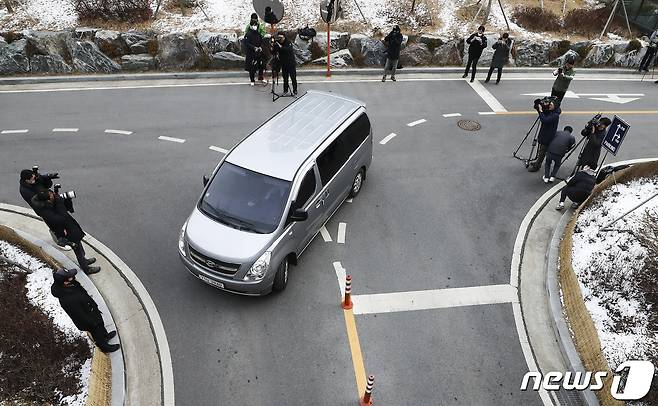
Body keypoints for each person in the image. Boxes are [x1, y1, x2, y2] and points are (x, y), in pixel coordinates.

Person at [31, 189, 100, 275]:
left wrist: (66, 200)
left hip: (69, 227)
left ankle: (84, 260)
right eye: (51, 195)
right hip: (66, 232)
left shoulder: (49, 204)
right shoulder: (45, 212)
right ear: (47, 200)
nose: (53, 195)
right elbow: (61, 219)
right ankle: (86, 269)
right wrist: (59, 203)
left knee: (79, 245)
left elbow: (67, 209)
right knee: (77, 249)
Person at [51, 267, 120, 353]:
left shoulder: (71, 285)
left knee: (100, 325)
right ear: (65, 282)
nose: (73, 277)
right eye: (70, 277)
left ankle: (105, 336)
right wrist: (91, 322)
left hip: (91, 310)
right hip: (88, 319)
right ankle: (104, 347)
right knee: (96, 332)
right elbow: (79, 314)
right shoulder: (67, 299)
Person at [19, 168, 71, 250]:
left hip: (50, 201)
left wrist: (47, 178)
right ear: (27, 180)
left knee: (61, 217)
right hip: (42, 209)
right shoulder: (25, 190)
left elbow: (47, 185)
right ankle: (60, 241)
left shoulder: (35, 178)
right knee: (55, 222)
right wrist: (47, 202)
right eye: (32, 178)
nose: (34, 179)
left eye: (34, 176)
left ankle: (64, 235)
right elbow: (36, 203)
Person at [528, 99, 561, 172]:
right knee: (541, 150)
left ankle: (537, 166)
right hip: (544, 133)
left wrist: (541, 111)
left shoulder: (555, 115)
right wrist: (539, 105)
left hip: (547, 136)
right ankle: (537, 162)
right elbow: (537, 108)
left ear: (555, 106)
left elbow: (544, 120)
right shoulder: (551, 111)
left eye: (551, 105)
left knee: (542, 152)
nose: (549, 105)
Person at [244, 14, 266, 86]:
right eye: (253, 25)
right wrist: (254, 48)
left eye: (255, 25)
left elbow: (262, 40)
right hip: (251, 53)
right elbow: (246, 42)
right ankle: (252, 80)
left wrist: (260, 47)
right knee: (252, 67)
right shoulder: (248, 33)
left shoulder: (259, 33)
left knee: (261, 65)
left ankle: (261, 77)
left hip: (258, 52)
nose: (255, 26)